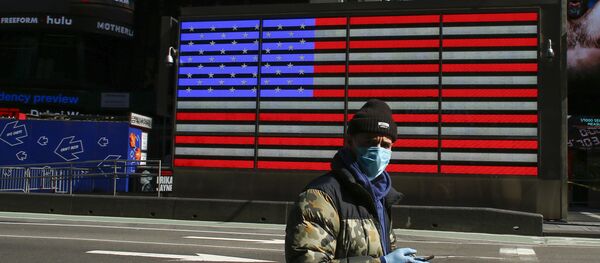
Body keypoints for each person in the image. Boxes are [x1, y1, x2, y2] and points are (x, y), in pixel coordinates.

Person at [285, 99, 429, 263]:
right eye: (371, 142)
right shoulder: (320, 196)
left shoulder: (381, 196)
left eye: (386, 145)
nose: (378, 150)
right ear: (350, 142)